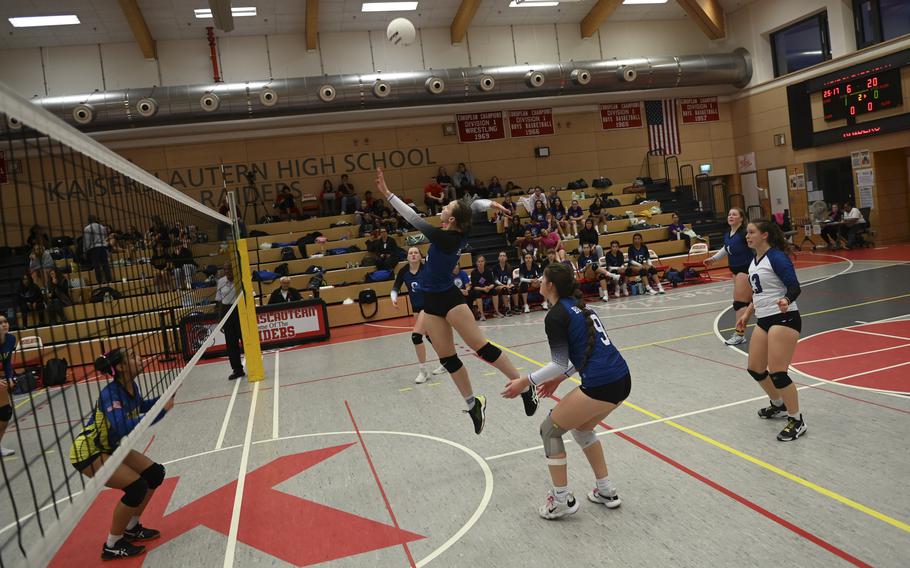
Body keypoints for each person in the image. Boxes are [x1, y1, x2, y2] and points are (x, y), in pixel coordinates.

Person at [376, 166, 538, 434]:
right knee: (448, 357)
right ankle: (474, 404)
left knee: (480, 347)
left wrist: (388, 194)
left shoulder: (446, 237)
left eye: (446, 208)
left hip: (449, 298)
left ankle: (523, 384)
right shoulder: (458, 225)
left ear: (451, 219)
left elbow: (413, 217)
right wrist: (493, 203)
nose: (443, 209)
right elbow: (473, 205)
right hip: (431, 302)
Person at [501, 263, 630, 519]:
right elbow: (582, 353)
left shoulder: (556, 315)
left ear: (551, 285)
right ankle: (605, 490)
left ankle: (561, 501)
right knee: (582, 430)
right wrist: (561, 379)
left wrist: (524, 381)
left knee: (549, 430)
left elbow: (559, 361)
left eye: (542, 278)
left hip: (601, 384)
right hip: (622, 379)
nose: (538, 281)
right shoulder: (580, 307)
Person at [69, 347, 173, 560]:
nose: (140, 358)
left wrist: (162, 399)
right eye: (133, 357)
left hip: (109, 446)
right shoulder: (110, 394)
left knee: (154, 474)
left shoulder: (130, 385)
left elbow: (141, 405)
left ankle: (131, 528)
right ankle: (112, 545)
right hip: (88, 451)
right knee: (136, 487)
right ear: (121, 367)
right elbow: (124, 427)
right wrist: (162, 411)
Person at [736, 220, 806, 442]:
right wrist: (746, 315)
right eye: (746, 233)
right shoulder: (754, 261)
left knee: (777, 371)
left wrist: (786, 299)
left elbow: (795, 286)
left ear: (764, 235)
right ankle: (779, 404)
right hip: (764, 319)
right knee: (755, 368)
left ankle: (797, 420)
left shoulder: (776, 257)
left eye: (751, 232)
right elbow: (759, 294)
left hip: (784, 318)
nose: (747, 236)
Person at [705, 208, 753, 345]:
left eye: (734, 214)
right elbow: (726, 248)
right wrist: (713, 259)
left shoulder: (744, 233)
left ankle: (739, 334)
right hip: (735, 271)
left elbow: (757, 246)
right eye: (729, 214)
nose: (731, 216)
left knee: (740, 303)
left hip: (745, 270)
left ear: (741, 218)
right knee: (751, 302)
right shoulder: (728, 234)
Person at [392, 247, 439, 384]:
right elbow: (395, 286)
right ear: (407, 257)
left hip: (429, 307)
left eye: (416, 253)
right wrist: (393, 297)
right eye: (410, 253)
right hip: (416, 309)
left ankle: (423, 370)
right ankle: (446, 360)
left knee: (416, 336)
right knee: (429, 335)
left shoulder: (427, 269)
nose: (413, 255)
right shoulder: (403, 271)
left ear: (420, 256)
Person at [216, 265, 245, 381]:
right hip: (227, 311)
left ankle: (254, 365)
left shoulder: (241, 279)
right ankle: (237, 370)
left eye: (230, 269)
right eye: (226, 269)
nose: (227, 271)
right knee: (231, 343)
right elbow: (218, 301)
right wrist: (220, 319)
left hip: (240, 309)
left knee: (245, 340)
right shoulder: (221, 281)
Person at [1, 315, 17, 456]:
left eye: (5, 321)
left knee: (5, 412)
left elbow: (6, 362)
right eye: (0, 323)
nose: (4, 324)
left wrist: (9, 376)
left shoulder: (11, 339)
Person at [84, 215, 113, 284]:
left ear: (89, 220)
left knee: (96, 265)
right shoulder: (102, 227)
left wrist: (86, 251)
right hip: (103, 247)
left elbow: (87, 241)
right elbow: (105, 237)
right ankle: (109, 280)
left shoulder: (87, 228)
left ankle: (99, 281)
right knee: (105, 264)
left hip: (94, 249)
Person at [469, 255, 498, 321]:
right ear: (476, 263)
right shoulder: (473, 272)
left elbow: (493, 283)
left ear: (484, 262)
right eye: (479, 261)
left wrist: (489, 287)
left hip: (488, 289)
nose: (480, 263)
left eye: (482, 261)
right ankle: (482, 314)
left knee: (494, 291)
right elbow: (474, 287)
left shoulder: (488, 271)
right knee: (477, 293)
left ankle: (496, 311)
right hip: (479, 289)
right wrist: (483, 289)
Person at [492, 251, 520, 316]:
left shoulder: (509, 267)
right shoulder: (495, 268)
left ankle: (516, 307)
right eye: (501, 256)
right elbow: (495, 280)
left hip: (506, 284)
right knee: (504, 289)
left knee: (514, 288)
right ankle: (507, 309)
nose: (502, 257)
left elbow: (510, 278)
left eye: (504, 256)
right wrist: (504, 285)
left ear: (506, 258)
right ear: (498, 258)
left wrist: (508, 285)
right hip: (498, 285)